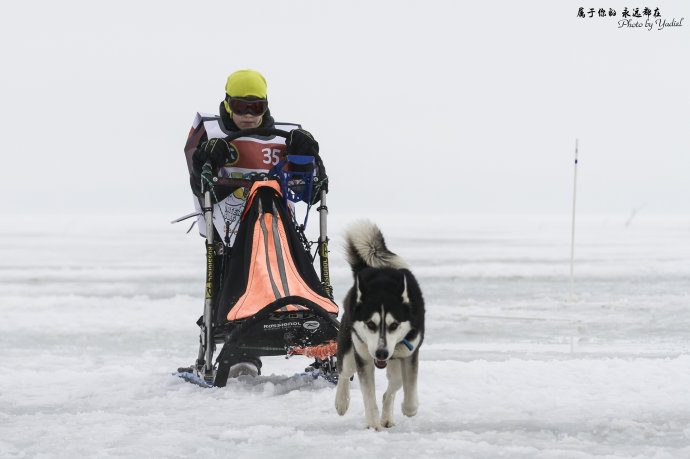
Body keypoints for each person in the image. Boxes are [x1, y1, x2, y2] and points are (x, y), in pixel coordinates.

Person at [183, 70, 321, 378]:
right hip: (230, 234)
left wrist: (307, 154)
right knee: (236, 274)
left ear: (266, 106)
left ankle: (318, 334)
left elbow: (309, 192)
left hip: (279, 229)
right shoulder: (211, 134)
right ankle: (241, 350)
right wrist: (206, 158)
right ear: (228, 103)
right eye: (241, 107)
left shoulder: (285, 137)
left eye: (255, 108)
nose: (247, 115)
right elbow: (199, 181)